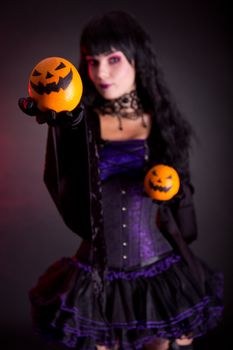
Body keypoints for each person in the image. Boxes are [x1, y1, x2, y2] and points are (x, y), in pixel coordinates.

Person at [18, 10, 223, 350]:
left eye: (113, 59)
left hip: (157, 269)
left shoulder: (162, 123)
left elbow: (185, 214)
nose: (100, 72)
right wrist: (63, 128)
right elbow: (64, 190)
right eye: (91, 61)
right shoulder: (77, 120)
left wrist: (177, 191)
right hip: (97, 274)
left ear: (136, 59)